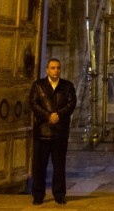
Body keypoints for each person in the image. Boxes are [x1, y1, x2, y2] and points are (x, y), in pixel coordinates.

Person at [29, 58, 77, 205]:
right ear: (47, 70)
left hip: (60, 132)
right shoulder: (38, 86)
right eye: (53, 68)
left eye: (58, 68)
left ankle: (59, 194)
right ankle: (38, 195)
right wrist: (48, 116)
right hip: (42, 132)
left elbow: (71, 103)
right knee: (39, 166)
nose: (56, 70)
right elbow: (34, 103)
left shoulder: (67, 86)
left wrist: (59, 115)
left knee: (59, 165)